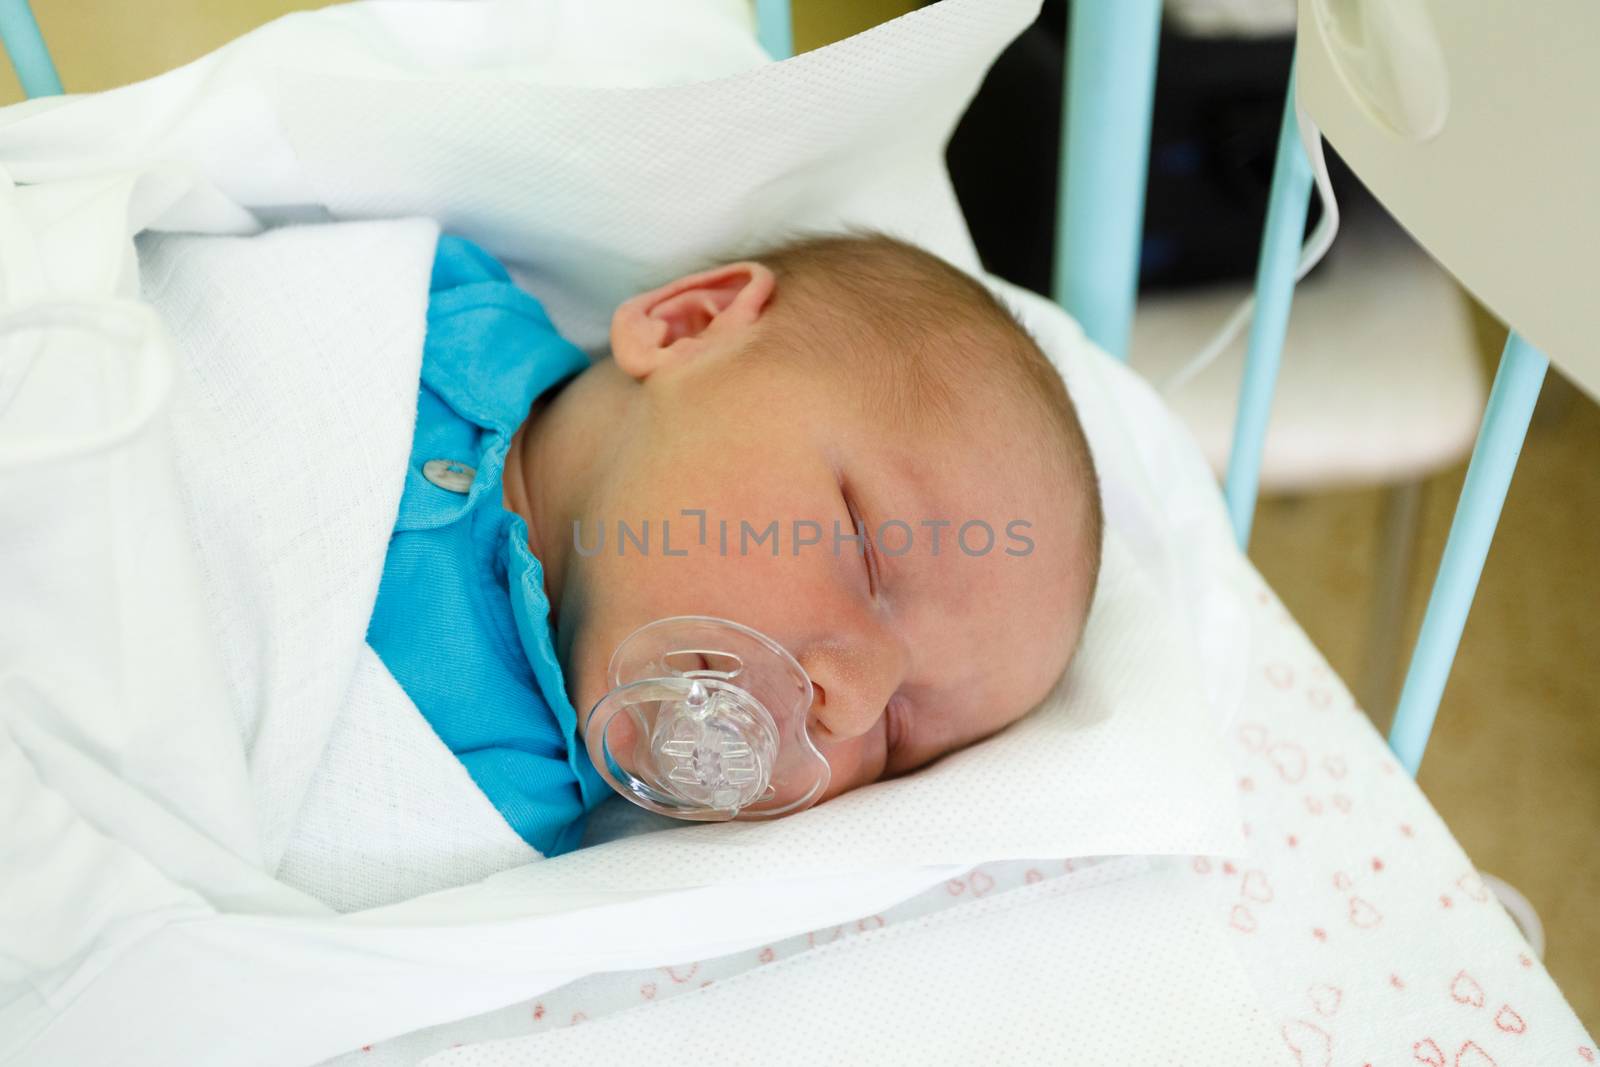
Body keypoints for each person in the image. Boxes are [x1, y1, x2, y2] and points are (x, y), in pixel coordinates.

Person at [367, 231, 1103, 857]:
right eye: (865, 549)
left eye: (896, 737)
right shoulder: (423, 300)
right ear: (689, 325)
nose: (846, 705)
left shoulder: (483, 811)